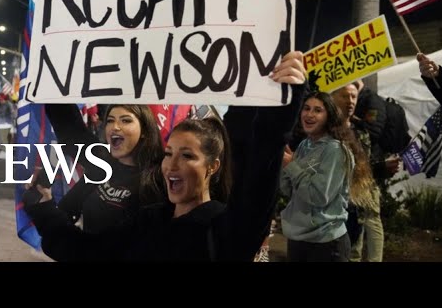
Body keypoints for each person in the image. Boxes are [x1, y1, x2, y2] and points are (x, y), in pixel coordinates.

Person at [23, 51, 306, 261]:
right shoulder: (150, 220)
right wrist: (45, 210)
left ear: (213, 166)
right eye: (169, 153)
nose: (172, 165)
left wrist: (281, 98)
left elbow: (258, 163)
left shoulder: (224, 228)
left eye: (187, 156)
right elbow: (90, 251)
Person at [39, 103, 164, 234]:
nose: (115, 127)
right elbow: (70, 129)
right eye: (110, 120)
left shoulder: (157, 180)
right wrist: (43, 204)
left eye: (126, 120)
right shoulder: (101, 162)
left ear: (144, 130)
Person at [279, 91, 354, 262]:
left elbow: (318, 196)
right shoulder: (304, 145)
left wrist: (291, 166)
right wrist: (283, 167)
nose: (309, 114)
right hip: (299, 239)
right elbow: (288, 191)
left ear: (329, 116)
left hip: (326, 243)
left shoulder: (335, 150)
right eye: (306, 108)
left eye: (318, 110)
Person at [332, 83, 382, 261]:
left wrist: (383, 166)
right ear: (332, 98)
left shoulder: (361, 129)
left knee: (355, 247)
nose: (350, 101)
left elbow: (365, 163)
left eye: (353, 97)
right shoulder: (325, 129)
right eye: (345, 96)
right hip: (334, 201)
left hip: (358, 197)